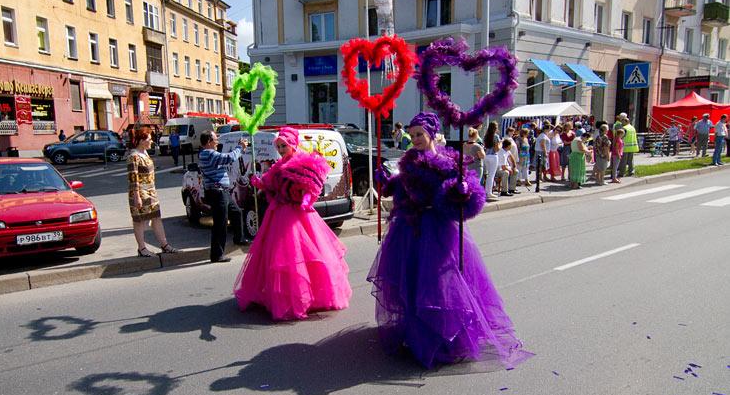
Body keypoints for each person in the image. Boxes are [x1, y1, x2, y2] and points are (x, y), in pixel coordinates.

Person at [368, 112, 532, 370]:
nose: (415, 139)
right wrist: (388, 183)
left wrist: (461, 193)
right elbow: (402, 186)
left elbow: (469, 193)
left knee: (439, 284)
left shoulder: (447, 162)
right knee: (412, 281)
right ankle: (416, 334)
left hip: (437, 230)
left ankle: (445, 337)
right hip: (409, 229)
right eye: (412, 135)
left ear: (432, 134)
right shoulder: (409, 159)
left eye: (420, 134)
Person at [234, 127, 352, 320]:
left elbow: (312, 185)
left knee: (299, 255)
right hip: (278, 212)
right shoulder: (278, 166)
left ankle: (303, 297)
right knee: (278, 256)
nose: (281, 150)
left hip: (297, 215)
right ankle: (282, 294)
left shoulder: (303, 161)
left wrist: (306, 199)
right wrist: (258, 182)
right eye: (279, 146)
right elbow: (269, 184)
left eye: (284, 146)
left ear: (293, 144)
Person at [126, 129, 178, 258]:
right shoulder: (134, 156)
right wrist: (137, 196)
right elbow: (133, 178)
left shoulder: (144, 153)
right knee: (139, 220)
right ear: (141, 141)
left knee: (156, 217)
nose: (152, 141)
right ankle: (142, 248)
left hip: (151, 192)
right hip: (140, 193)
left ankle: (165, 245)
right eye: (149, 139)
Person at [200, 130, 249, 263]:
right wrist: (240, 147)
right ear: (209, 141)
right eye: (215, 139)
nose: (217, 141)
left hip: (222, 191)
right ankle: (217, 255)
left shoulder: (207, 153)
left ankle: (239, 238)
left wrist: (240, 149)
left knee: (236, 212)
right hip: (217, 192)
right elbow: (229, 158)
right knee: (220, 224)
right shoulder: (209, 153)